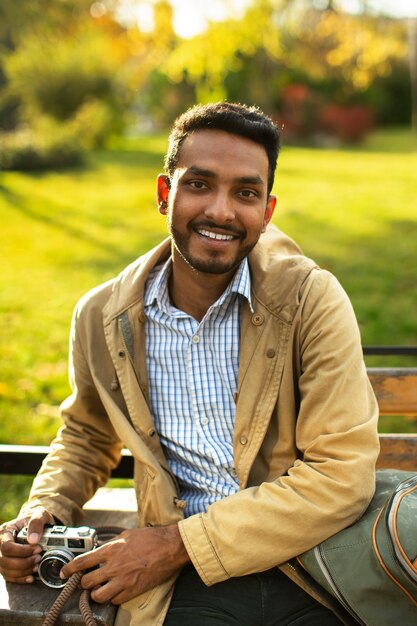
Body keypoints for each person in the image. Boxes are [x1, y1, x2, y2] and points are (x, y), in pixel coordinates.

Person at [0, 102, 379, 626]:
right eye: (199, 184)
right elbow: (87, 435)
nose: (221, 212)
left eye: (245, 193)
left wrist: (174, 545)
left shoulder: (311, 301)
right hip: (188, 585)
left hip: (315, 565)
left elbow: (341, 474)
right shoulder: (102, 317)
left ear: (266, 212)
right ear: (164, 194)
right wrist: (43, 511)